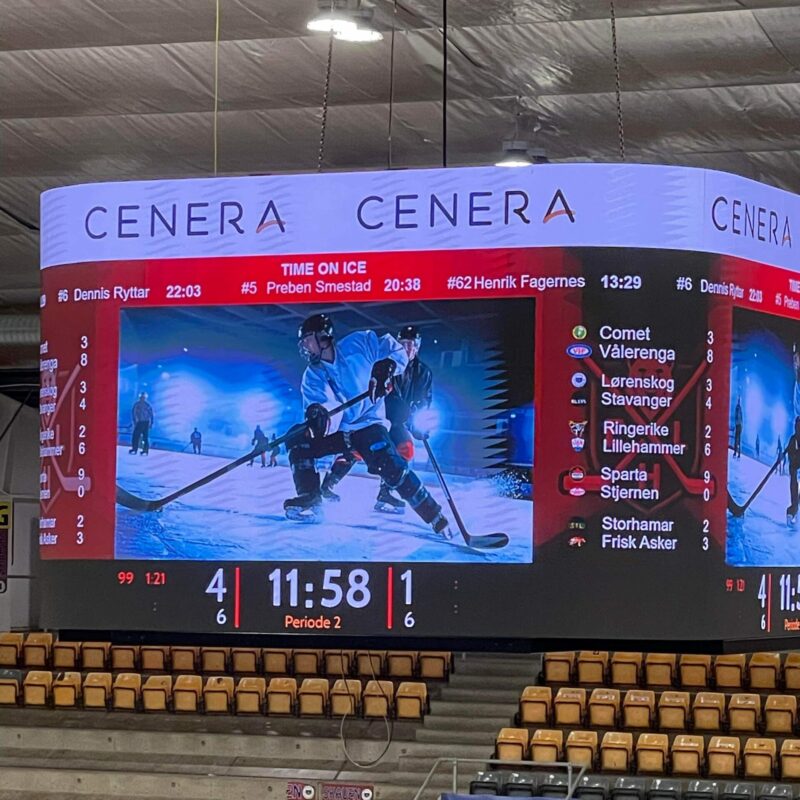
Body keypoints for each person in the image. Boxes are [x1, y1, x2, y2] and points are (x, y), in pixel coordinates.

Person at [283, 313, 452, 539]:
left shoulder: (360, 343)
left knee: (393, 466)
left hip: (369, 426)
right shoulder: (312, 375)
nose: (304, 347)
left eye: (307, 340)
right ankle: (311, 498)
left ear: (323, 338)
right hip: (341, 431)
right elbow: (322, 404)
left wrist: (387, 366)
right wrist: (319, 417)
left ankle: (435, 516)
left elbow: (396, 351)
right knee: (296, 436)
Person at [320, 324, 434, 513]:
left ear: (417, 346)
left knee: (405, 449)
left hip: (397, 420)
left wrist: (418, 418)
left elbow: (424, 399)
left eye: (410, 344)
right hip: (377, 416)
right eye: (402, 343)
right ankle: (328, 485)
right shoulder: (387, 363)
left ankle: (385, 492)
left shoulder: (423, 372)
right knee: (356, 450)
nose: (406, 348)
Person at [787, 417, 800, 526]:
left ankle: (795, 508)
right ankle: (793, 508)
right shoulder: (793, 439)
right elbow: (790, 454)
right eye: (796, 426)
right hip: (794, 465)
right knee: (793, 485)